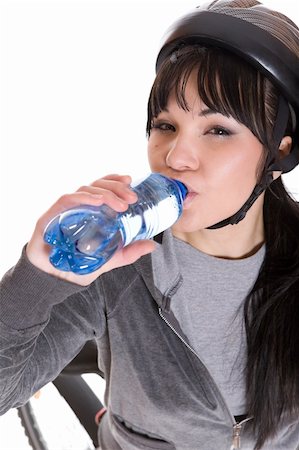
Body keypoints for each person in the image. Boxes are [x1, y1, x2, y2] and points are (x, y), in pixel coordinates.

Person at [0, 0, 298, 448]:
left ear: (280, 151)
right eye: (165, 125)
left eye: (217, 130)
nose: (175, 157)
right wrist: (38, 276)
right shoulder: (114, 262)